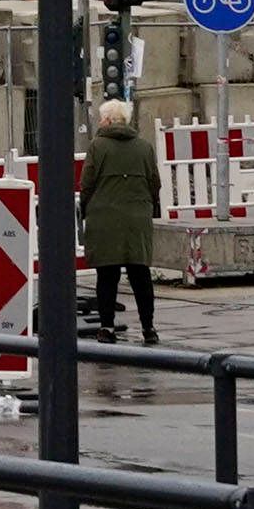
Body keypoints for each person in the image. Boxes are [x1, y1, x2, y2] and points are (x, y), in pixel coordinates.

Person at [80, 97, 159, 341]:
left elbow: (87, 183)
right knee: (140, 276)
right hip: (137, 219)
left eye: (102, 118)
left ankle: (107, 327)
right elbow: (154, 183)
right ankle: (148, 328)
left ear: (108, 120)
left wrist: (86, 210)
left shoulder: (97, 146)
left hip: (105, 219)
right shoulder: (145, 147)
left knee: (107, 276)